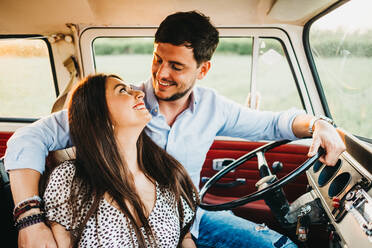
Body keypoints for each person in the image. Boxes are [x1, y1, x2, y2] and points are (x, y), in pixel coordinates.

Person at [5, 11, 345, 248]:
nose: (161, 74)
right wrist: (29, 218)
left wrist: (319, 124)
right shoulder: (118, 108)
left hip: (190, 219)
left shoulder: (213, 108)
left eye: (176, 66)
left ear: (203, 69)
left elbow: (274, 123)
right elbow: (29, 138)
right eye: (157, 59)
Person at [15, 73, 199, 247]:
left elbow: (185, 237)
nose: (140, 93)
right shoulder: (69, 180)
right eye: (122, 90)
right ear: (98, 115)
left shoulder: (166, 171)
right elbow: (26, 137)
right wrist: (28, 219)